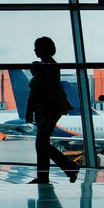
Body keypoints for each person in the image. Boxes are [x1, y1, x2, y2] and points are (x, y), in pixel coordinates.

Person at [27, 36, 78, 184]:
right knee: (42, 142)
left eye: (37, 47)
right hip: (50, 109)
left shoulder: (46, 67)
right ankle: (46, 175)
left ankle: (68, 167)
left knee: (41, 143)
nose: (35, 50)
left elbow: (35, 87)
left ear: (43, 49)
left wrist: (35, 74)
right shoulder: (49, 65)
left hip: (47, 110)